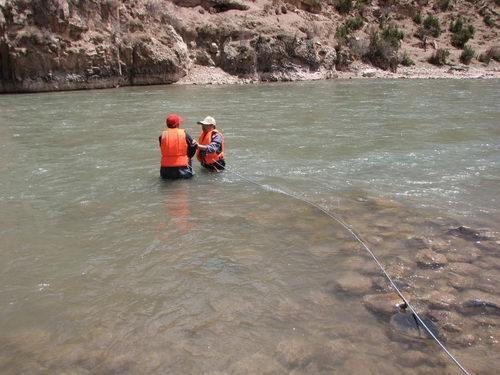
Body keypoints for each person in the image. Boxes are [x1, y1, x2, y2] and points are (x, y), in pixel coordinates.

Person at [159, 114, 198, 179]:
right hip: (182, 170)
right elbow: (192, 148)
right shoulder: (184, 134)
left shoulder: (162, 136)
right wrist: (194, 146)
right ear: (177, 124)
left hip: (165, 170)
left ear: (167, 124)